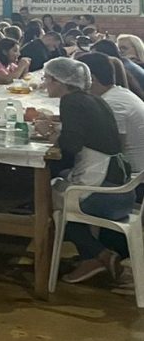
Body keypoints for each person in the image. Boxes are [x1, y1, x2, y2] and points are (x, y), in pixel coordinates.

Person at [42, 57, 133, 285]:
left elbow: (70, 147)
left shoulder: (70, 102)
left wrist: (49, 135)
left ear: (58, 81)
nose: (45, 84)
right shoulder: (95, 99)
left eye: (47, 79)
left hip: (104, 195)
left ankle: (98, 255)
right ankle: (90, 257)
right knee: (62, 183)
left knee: (49, 199)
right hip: (122, 188)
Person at [77, 52, 144, 181]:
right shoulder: (118, 93)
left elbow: (113, 148)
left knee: (60, 172)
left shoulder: (112, 104)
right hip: (131, 170)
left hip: (132, 179)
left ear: (92, 79)